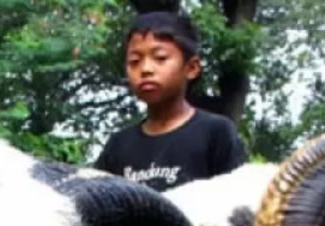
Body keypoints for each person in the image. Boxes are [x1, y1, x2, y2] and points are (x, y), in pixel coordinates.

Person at [93, 10, 247, 192]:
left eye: (160, 58)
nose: (145, 69)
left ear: (191, 68)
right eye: (135, 61)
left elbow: (239, 202)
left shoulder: (216, 134)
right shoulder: (118, 146)